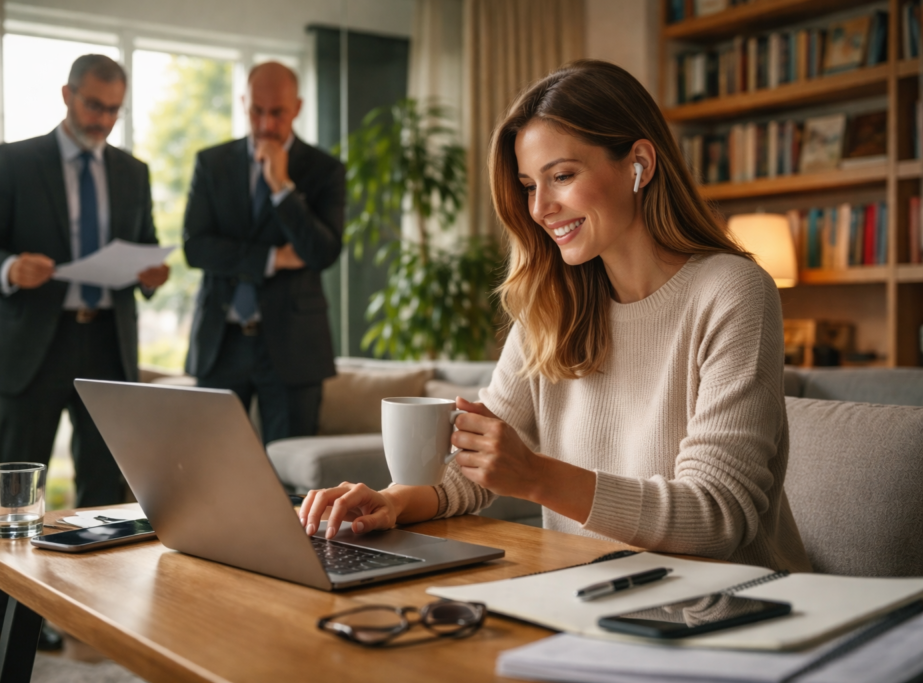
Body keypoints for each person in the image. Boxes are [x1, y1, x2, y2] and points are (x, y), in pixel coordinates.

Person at [298, 60, 812, 573]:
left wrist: (536, 476)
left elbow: (717, 518)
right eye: (528, 185)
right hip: (590, 600)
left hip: (727, 612)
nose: (540, 208)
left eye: (561, 176)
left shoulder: (731, 291)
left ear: (640, 164)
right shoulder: (552, 304)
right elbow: (477, 469)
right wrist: (392, 501)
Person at [0, 54, 170, 644]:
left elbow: (145, 247)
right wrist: (6, 266)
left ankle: (87, 613)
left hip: (106, 344)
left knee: (102, 491)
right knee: (16, 494)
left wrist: (150, 274)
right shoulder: (17, 160)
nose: (103, 119)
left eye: (113, 109)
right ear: (67, 95)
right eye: (93, 105)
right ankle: (11, 625)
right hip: (31, 347)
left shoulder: (134, 171)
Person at [183, 62, 344, 444]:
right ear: (243, 103)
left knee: (288, 479)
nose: (266, 124)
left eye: (278, 113)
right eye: (257, 110)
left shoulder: (325, 170)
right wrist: (271, 259)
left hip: (293, 349)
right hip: (221, 344)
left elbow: (322, 253)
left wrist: (282, 188)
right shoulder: (212, 163)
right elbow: (196, 248)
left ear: (298, 108)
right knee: (212, 467)